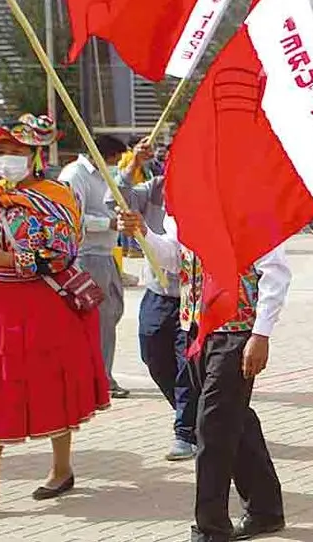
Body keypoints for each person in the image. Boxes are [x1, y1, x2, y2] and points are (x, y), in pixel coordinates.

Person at [117, 210, 290, 542]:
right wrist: (144, 233)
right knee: (232, 419)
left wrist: (261, 334)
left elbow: (276, 274)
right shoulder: (188, 208)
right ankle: (265, 509)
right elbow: (173, 257)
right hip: (195, 329)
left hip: (236, 332)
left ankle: (211, 528)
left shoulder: (251, 214)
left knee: (211, 429)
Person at [0, 115, 111, 511]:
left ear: (35, 155)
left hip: (45, 305)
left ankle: (61, 469)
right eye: (1, 151)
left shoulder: (56, 196)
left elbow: (61, 254)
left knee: (52, 386)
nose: (7, 158)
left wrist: (5, 259)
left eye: (16, 152)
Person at [107, 138, 196, 461]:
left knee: (188, 364)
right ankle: (193, 414)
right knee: (154, 356)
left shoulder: (205, 191)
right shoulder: (154, 188)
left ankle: (185, 432)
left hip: (193, 295)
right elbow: (115, 200)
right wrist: (133, 165)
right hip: (159, 292)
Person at [58, 134, 130, 398]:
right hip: (86, 256)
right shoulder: (74, 175)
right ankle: (99, 379)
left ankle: (98, 374)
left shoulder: (105, 177)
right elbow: (70, 217)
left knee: (111, 315)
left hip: (106, 254)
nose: (115, 165)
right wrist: (107, 223)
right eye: (114, 159)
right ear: (100, 155)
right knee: (99, 319)